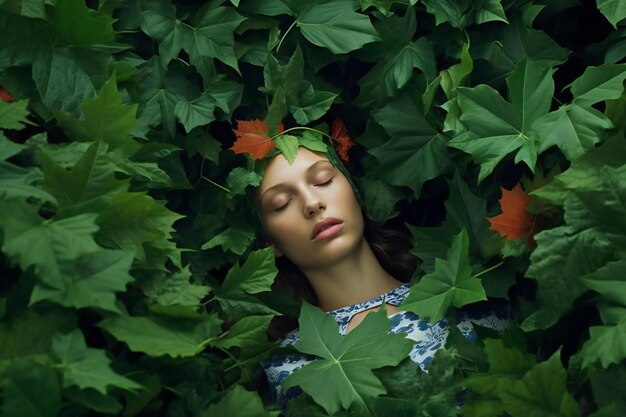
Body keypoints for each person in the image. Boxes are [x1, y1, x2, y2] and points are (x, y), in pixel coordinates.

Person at [244, 140, 510, 408]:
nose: (312, 203)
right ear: (270, 243)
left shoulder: (474, 288)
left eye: (323, 180)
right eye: (281, 203)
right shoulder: (286, 367)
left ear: (355, 192)